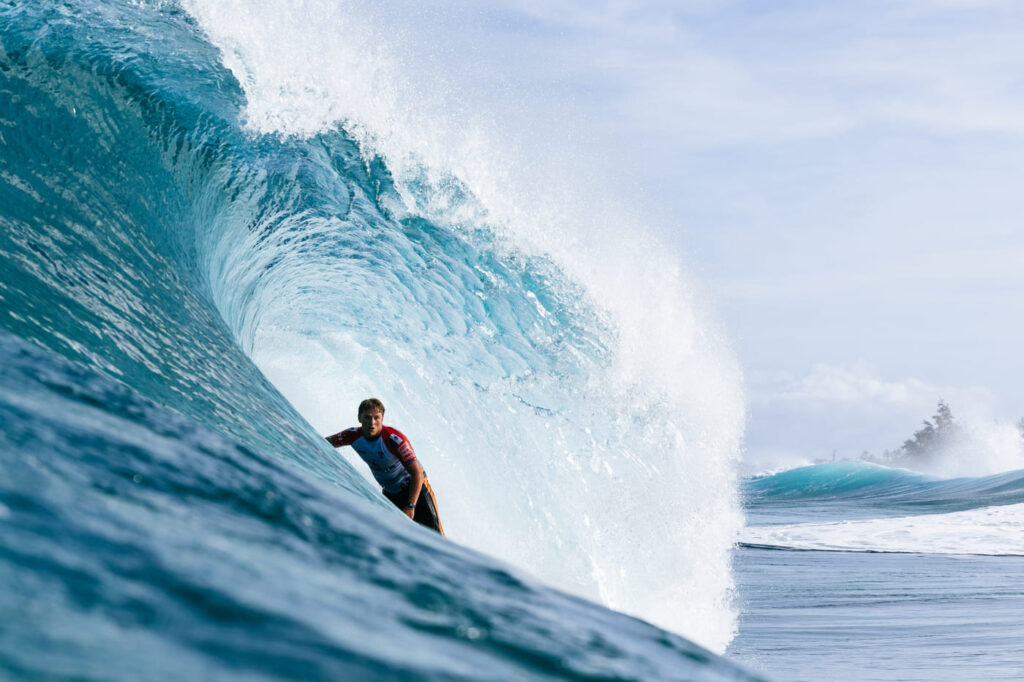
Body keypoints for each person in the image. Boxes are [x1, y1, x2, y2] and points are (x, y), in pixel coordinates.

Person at [325, 398, 444, 535]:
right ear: (359, 418)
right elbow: (323, 441)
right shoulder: (352, 435)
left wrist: (411, 505)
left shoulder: (394, 440)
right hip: (390, 493)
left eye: (377, 418)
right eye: (367, 418)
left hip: (416, 490)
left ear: (382, 419)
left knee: (436, 536)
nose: (372, 423)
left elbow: (417, 473)